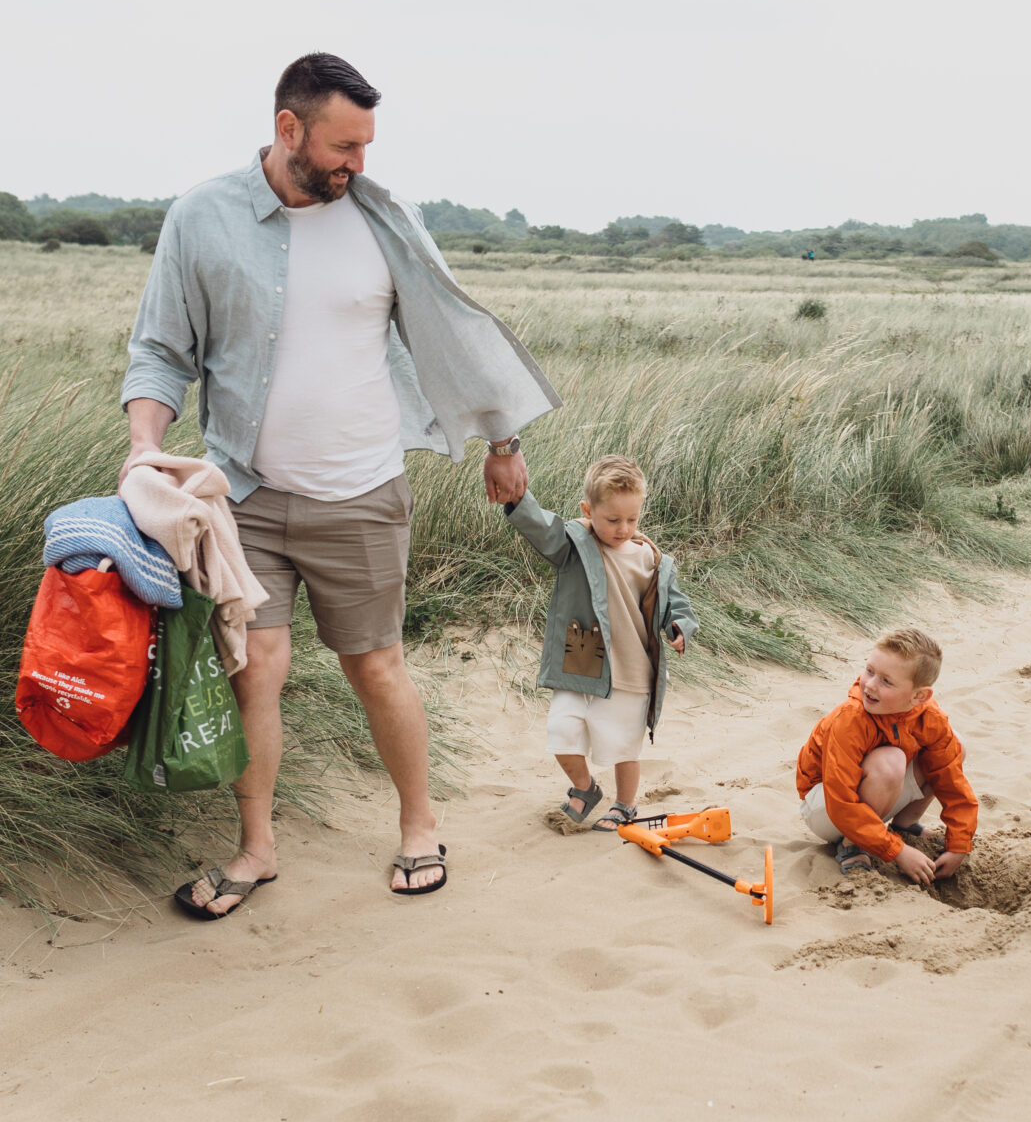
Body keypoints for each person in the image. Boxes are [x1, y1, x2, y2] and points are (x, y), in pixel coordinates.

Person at [121, 52, 559, 913]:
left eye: (366, 145)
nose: (358, 163)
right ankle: (257, 849)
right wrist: (144, 447)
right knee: (257, 669)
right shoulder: (201, 218)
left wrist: (502, 442)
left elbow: (450, 333)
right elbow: (161, 350)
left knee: (376, 665)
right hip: (244, 493)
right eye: (343, 146)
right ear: (289, 129)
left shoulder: (384, 219)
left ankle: (419, 826)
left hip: (362, 490)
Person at [503, 454, 697, 831]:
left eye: (632, 519)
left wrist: (679, 627)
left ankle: (625, 804)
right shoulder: (574, 545)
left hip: (632, 669)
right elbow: (542, 528)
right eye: (612, 520)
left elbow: (676, 604)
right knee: (562, 732)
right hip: (582, 659)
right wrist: (517, 500)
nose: (623, 529)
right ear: (587, 511)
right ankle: (585, 787)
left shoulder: (652, 559)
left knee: (624, 745)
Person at [796, 629, 978, 884]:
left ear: (919, 696)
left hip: (873, 796)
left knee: (954, 746)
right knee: (891, 761)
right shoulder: (850, 719)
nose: (870, 685)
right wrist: (897, 852)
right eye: (869, 671)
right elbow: (841, 802)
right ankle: (852, 844)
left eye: (886, 681)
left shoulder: (929, 718)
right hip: (825, 808)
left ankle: (905, 826)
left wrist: (959, 844)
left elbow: (951, 782)